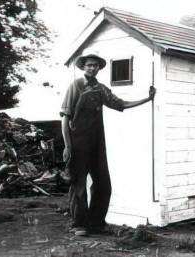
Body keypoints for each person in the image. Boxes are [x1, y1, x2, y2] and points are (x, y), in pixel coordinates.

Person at [60, 54, 155, 236]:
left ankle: (96, 223)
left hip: (97, 142)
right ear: (83, 67)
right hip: (78, 141)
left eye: (95, 65)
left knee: (103, 183)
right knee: (78, 183)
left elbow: (121, 104)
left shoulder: (101, 89)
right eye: (89, 65)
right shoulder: (76, 86)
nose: (92, 68)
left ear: (99, 68)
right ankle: (79, 224)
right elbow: (65, 118)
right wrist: (67, 145)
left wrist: (147, 99)